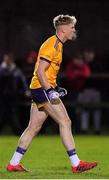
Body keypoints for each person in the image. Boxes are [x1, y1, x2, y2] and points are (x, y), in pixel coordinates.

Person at [7, 14, 97, 173]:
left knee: (33, 127)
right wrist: (50, 90)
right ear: (63, 30)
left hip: (41, 88)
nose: (74, 30)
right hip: (41, 89)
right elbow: (40, 71)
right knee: (65, 122)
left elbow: (47, 73)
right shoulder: (52, 45)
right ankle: (76, 164)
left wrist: (54, 86)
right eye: (72, 27)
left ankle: (13, 163)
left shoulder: (58, 44)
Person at [0, 53, 30, 135]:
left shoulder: (16, 70)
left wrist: (26, 90)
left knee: (14, 114)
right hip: (2, 96)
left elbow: (23, 81)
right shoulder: (1, 69)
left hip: (13, 96)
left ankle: (18, 131)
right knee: (2, 113)